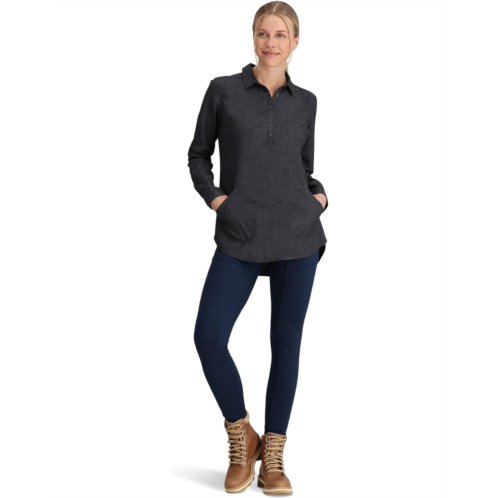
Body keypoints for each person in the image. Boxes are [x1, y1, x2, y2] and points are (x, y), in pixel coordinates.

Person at [188, 2, 328, 494]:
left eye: (281, 34)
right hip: (240, 233)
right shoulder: (223, 90)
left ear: (295, 42)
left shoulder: (306, 101)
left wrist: (319, 197)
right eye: (263, 33)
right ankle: (240, 433)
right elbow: (198, 155)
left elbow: (303, 167)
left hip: (297, 237)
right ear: (253, 38)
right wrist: (218, 200)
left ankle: (273, 456)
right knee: (208, 336)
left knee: (285, 344)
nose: (271, 42)